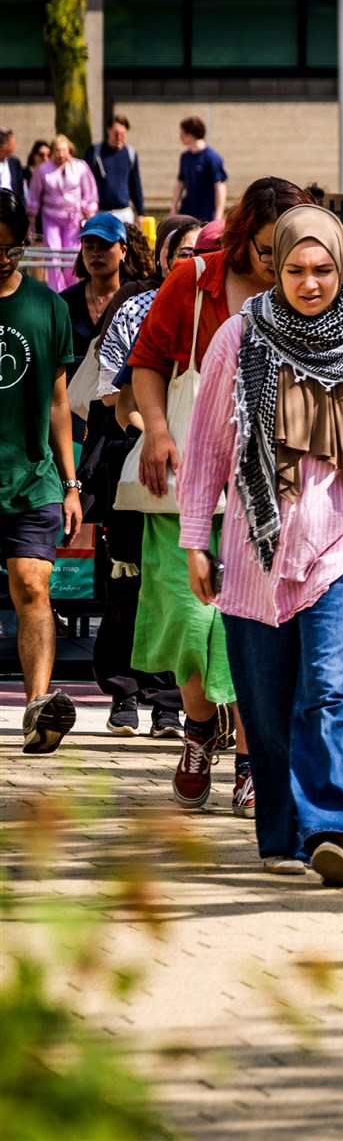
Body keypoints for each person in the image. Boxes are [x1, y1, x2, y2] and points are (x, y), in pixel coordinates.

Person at [177, 203, 343, 886]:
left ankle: (339, 829)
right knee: (265, 709)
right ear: (275, 267)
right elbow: (206, 449)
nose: (311, 282)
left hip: (340, 547)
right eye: (295, 269)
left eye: (324, 269)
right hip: (253, 553)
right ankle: (285, 835)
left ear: (342, 267)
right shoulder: (237, 339)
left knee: (329, 690)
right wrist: (194, 541)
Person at [130, 178, 312, 813]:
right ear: (243, 237)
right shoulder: (195, 280)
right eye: (268, 250)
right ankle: (200, 728)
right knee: (189, 620)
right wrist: (155, 429)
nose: (279, 262)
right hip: (182, 480)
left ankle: (249, 757)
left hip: (267, 491)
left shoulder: (309, 291)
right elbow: (147, 358)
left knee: (245, 624)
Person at [89, 216, 195, 737]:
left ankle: (170, 703)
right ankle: (124, 692)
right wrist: (154, 434)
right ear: (165, 258)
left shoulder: (222, 310)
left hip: (200, 469)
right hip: (136, 457)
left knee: (179, 587)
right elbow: (113, 392)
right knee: (129, 580)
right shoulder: (135, 308)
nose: (192, 262)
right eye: (183, 252)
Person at [0, 189, 84, 754]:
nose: (2, 258)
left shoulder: (48, 306)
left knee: (33, 585)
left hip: (33, 480)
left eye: (11, 248)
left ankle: (37, 707)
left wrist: (71, 481)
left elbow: (59, 401)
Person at [28, 136, 99, 286]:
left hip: (73, 218)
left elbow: (90, 192)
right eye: (57, 151)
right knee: (53, 254)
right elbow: (34, 195)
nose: (60, 154)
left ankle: (71, 287)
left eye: (63, 151)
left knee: (72, 255)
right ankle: (56, 290)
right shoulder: (43, 170)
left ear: (70, 151)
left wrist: (89, 210)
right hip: (51, 218)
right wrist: (32, 219)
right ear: (52, 151)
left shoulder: (80, 167)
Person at [62, 212, 130, 362]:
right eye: (89, 246)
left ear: (123, 251)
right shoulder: (65, 302)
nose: (96, 254)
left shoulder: (134, 301)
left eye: (105, 246)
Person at [85, 115, 143, 224]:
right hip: (100, 212)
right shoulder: (95, 152)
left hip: (123, 212)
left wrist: (140, 212)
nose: (119, 137)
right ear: (108, 130)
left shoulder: (130, 154)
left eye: (122, 134)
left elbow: (135, 185)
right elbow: (84, 181)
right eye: (116, 133)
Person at [171, 118, 226, 224]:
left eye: (182, 133)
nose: (180, 136)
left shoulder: (211, 157)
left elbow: (220, 186)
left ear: (190, 134)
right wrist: (173, 206)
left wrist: (219, 214)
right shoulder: (185, 157)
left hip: (207, 213)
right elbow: (180, 182)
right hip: (188, 211)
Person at [0, 130, 23, 195]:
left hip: (11, 202)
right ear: (4, 145)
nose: (15, 147)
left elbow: (19, 189)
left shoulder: (15, 163)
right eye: (13, 144)